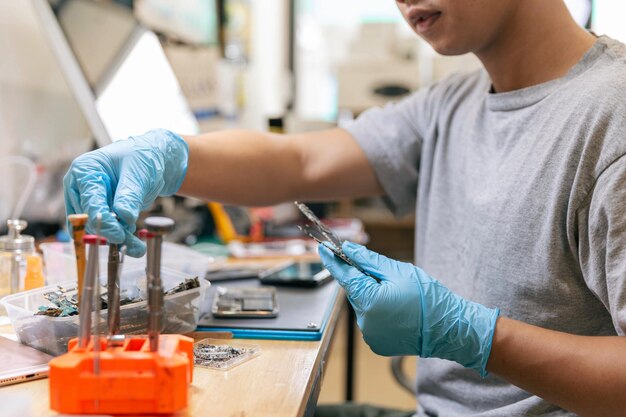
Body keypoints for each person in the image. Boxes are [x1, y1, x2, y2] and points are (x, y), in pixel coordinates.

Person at [64, 0, 626, 415]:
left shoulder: (611, 118)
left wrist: (473, 334)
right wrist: (170, 156)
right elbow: (301, 162)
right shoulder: (451, 103)